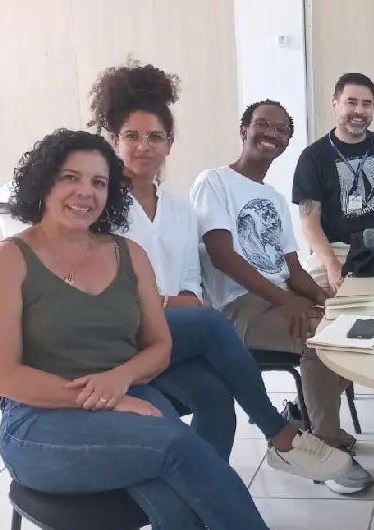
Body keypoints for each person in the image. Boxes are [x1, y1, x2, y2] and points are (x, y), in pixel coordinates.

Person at [0, 129, 265, 529]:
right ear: (44, 182)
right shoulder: (7, 262)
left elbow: (159, 346)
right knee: (180, 449)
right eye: (70, 177)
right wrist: (106, 399)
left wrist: (121, 378)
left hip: (130, 393)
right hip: (40, 420)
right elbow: (5, 378)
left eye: (99, 182)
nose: (86, 192)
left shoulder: (129, 254)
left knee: (179, 495)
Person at [86, 60, 350, 479]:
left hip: (176, 329)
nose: (144, 147)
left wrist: (326, 299)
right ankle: (287, 435)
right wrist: (164, 304)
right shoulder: (101, 207)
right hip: (140, 329)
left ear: (170, 144)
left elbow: (193, 284)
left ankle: (207, 488)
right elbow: (215, 260)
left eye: (155, 137)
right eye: (132, 136)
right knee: (220, 324)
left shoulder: (179, 209)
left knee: (218, 401)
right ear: (114, 141)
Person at [191, 100, 374, 495]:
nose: (271, 134)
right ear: (244, 129)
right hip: (237, 307)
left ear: (287, 142)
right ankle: (325, 447)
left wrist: (328, 300)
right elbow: (222, 256)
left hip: (278, 295)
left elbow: (292, 268)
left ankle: (304, 418)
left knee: (355, 328)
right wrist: (287, 302)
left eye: (281, 130)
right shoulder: (214, 182)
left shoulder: (273, 198)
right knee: (322, 341)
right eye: (263, 124)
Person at [293, 73, 374, 294]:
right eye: (351, 102)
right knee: (304, 296)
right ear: (335, 104)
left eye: (366, 104)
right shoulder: (313, 157)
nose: (359, 111)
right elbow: (309, 222)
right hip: (338, 249)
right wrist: (331, 264)